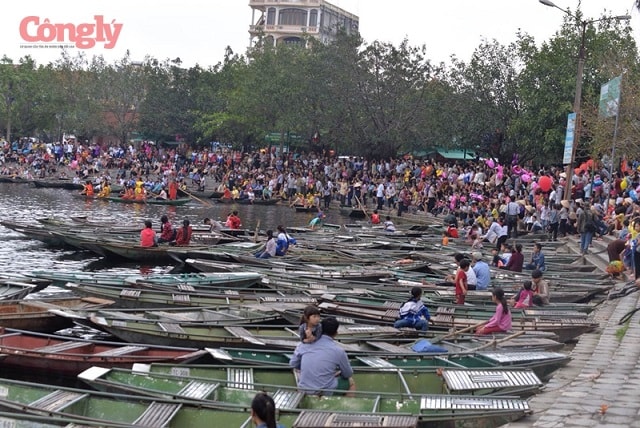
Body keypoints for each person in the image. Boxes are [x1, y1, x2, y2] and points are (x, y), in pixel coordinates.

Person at [290, 316, 355, 396]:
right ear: (336, 333)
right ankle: (344, 406)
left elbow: (293, 364)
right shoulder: (339, 351)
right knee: (350, 382)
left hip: (304, 389)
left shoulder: (303, 344)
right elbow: (348, 374)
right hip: (324, 391)